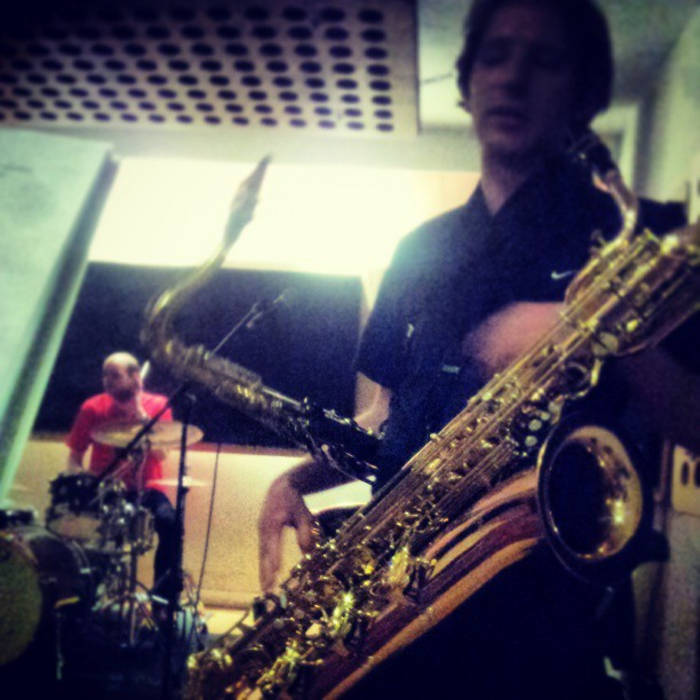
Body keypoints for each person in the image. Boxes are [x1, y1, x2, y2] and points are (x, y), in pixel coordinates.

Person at [258, 0, 699, 698]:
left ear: (584, 92)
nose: (513, 78)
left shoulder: (637, 243)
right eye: (495, 56)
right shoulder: (417, 250)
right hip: (394, 619)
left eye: (544, 60)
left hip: (541, 634)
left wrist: (594, 329)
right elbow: (385, 418)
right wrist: (295, 480)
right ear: (466, 84)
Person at [65, 351, 179, 605]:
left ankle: (162, 602)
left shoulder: (158, 405)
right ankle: (88, 601)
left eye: (115, 375)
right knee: (96, 539)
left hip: (148, 489)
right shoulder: (92, 407)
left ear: (135, 377)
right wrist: (84, 482)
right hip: (107, 490)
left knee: (171, 524)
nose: (107, 380)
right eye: (105, 375)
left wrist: (140, 414)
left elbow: (161, 455)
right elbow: (74, 458)